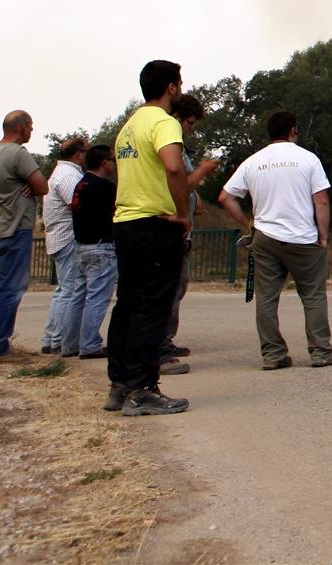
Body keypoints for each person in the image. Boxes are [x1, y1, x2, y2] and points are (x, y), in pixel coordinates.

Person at [217, 111, 332, 369]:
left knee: (267, 298)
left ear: (270, 133)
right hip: (303, 239)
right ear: (293, 130)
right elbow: (321, 200)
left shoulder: (252, 162)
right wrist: (323, 235)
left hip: (266, 238)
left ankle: (273, 354)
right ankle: (321, 352)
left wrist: (247, 224)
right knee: (313, 296)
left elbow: (225, 197)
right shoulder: (308, 159)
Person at [106, 60, 194, 416]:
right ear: (171, 87)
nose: (182, 90)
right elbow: (173, 165)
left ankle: (119, 385)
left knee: (126, 303)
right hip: (156, 223)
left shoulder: (128, 126)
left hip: (125, 222)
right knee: (153, 306)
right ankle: (143, 388)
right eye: (180, 84)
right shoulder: (164, 122)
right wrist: (183, 213)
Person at [0, 110, 49, 362]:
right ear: (22, 128)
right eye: (31, 126)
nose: (32, 131)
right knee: (10, 290)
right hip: (14, 229)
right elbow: (43, 186)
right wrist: (29, 184)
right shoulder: (18, 154)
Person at [160, 94, 219, 370]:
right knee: (171, 288)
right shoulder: (171, 140)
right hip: (174, 228)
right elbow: (179, 179)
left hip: (176, 224)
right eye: (191, 124)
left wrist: (195, 200)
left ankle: (163, 340)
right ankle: (160, 343)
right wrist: (204, 170)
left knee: (175, 288)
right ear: (179, 118)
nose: (190, 130)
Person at [70, 145, 120, 370]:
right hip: (101, 246)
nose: (114, 165)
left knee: (78, 297)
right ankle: (90, 344)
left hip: (81, 246)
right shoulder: (104, 187)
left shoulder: (80, 185)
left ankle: (70, 343)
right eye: (112, 160)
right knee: (97, 298)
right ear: (104, 163)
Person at [39, 137, 88, 356]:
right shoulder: (69, 175)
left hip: (58, 237)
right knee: (70, 290)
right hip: (68, 237)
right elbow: (77, 203)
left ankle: (51, 337)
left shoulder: (59, 173)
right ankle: (59, 339)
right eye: (86, 151)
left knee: (63, 290)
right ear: (78, 154)